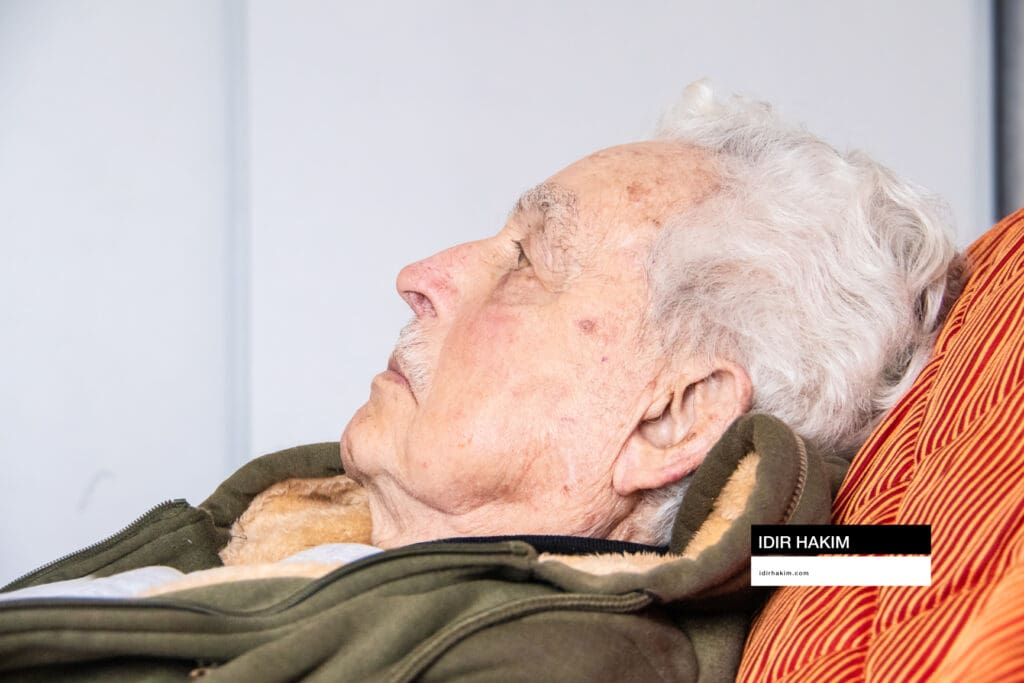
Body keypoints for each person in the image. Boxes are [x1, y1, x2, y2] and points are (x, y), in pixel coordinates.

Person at [0, 83, 961, 681]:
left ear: (673, 416)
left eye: (529, 260)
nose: (421, 273)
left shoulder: (539, 656)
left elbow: (913, 556)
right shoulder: (289, 530)